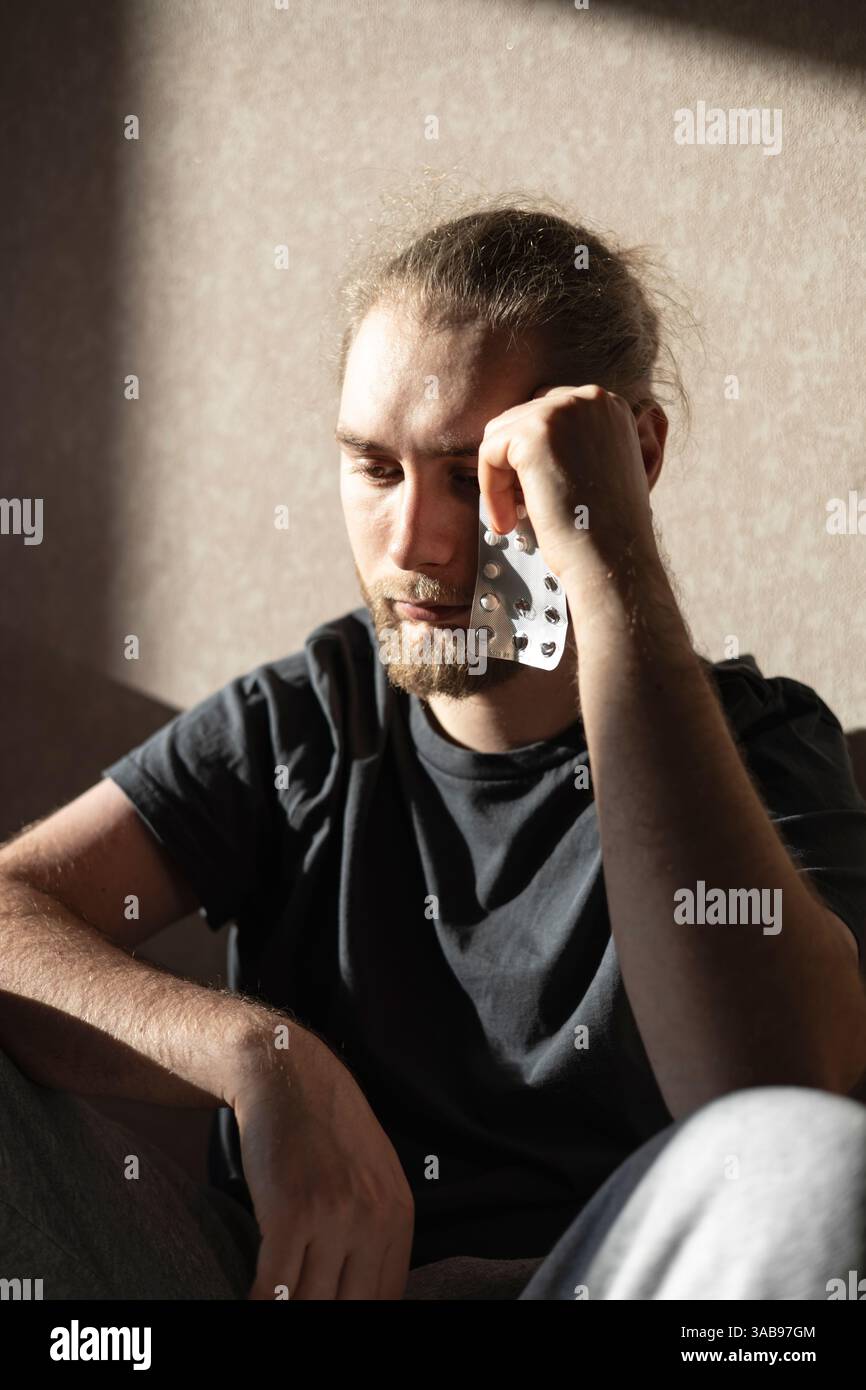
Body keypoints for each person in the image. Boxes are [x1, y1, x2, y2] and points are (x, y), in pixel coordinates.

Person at [2, 203, 865, 1302]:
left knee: (814, 1161)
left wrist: (612, 567)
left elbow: (774, 1093)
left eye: (470, 477)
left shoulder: (753, 747)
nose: (411, 546)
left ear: (629, 460)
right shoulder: (306, 720)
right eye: (374, 469)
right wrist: (263, 1061)